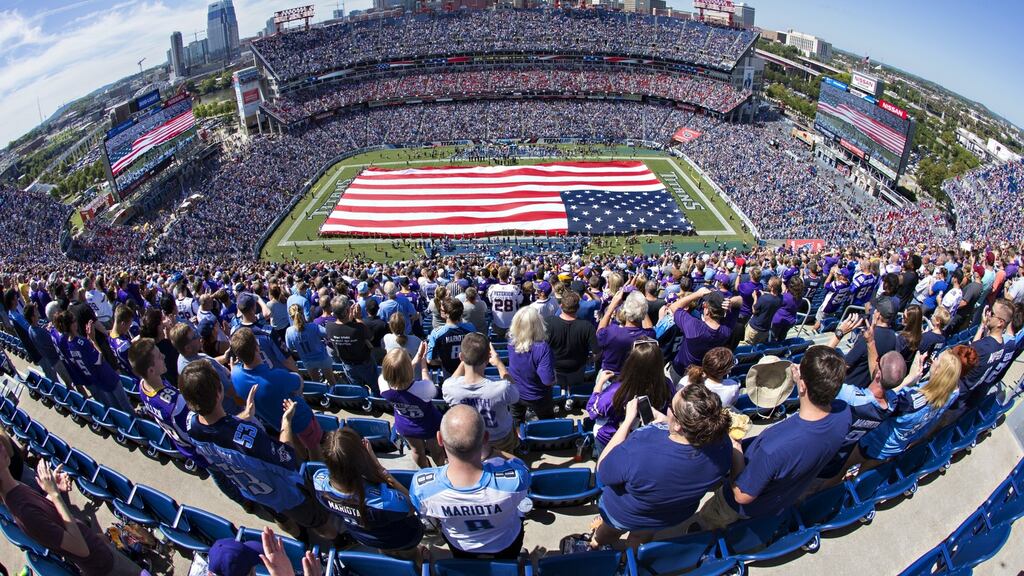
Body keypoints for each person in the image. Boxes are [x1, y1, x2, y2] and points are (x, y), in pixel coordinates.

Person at [697, 346, 852, 530]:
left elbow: (742, 495)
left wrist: (736, 447)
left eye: (799, 369)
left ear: (802, 386)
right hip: (781, 500)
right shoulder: (844, 414)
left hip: (739, 506)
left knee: (707, 524)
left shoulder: (774, 448)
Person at [180, 361, 333, 538]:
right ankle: (339, 542)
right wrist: (287, 421)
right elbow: (286, 455)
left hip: (255, 492)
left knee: (283, 521)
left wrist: (245, 417)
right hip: (286, 494)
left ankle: (301, 539)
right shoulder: (250, 440)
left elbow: (218, 432)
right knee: (321, 523)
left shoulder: (192, 426)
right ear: (219, 391)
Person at [583, 384, 733, 550]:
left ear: (679, 426)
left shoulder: (643, 444)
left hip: (625, 513)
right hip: (669, 515)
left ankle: (597, 543)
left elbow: (603, 472)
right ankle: (629, 560)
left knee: (610, 530)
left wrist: (627, 422)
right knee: (642, 535)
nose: (668, 409)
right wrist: (665, 421)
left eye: (671, 407)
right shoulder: (723, 444)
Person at [0, 444, 142, 575]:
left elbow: (43, 512)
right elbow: (81, 549)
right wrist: (55, 495)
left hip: (98, 549)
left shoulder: (15, 488)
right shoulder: (24, 511)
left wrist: (53, 490)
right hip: (102, 563)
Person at [410, 405, 530, 560]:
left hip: (460, 545)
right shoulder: (514, 481)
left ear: (440, 439)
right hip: (506, 542)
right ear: (485, 438)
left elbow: (424, 512)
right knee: (509, 560)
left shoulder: (422, 487)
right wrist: (494, 452)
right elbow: (522, 468)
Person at [312, 428, 424, 560]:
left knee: (386, 550)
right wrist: (378, 468)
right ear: (361, 461)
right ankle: (419, 561)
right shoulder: (384, 501)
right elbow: (413, 506)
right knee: (412, 555)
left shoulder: (319, 483)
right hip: (402, 538)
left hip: (365, 538)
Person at [230, 328, 321, 461]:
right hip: (301, 418)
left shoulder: (235, 375)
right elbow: (299, 383)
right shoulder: (275, 377)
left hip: (278, 423)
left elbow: (235, 371)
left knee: (295, 444)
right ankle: (317, 469)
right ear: (257, 347)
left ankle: (304, 465)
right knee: (314, 447)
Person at [858, 350, 960, 462]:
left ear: (937, 371)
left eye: (937, 359)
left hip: (877, 442)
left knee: (845, 468)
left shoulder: (910, 401)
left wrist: (909, 379)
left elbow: (881, 401)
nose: (934, 360)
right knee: (867, 475)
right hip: (896, 446)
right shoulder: (950, 395)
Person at [586, 340, 673, 456]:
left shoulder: (617, 391)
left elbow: (593, 410)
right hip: (643, 442)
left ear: (631, 363)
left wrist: (599, 383)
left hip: (611, 440)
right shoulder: (667, 385)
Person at [442, 332, 519, 453]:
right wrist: (499, 363)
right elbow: (515, 393)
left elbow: (452, 380)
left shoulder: (450, 387)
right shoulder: (502, 387)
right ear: (488, 359)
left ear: (461, 357)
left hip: (468, 439)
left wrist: (466, 358)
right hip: (500, 438)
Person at [380, 346, 445, 468]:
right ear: (409, 370)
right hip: (430, 425)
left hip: (405, 425)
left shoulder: (383, 385)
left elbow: (397, 376)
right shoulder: (423, 389)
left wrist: (417, 358)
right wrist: (423, 364)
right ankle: (440, 468)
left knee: (416, 451)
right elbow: (429, 385)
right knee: (437, 450)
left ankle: (426, 470)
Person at [826, 296, 906, 389]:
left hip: (848, 385)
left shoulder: (869, 337)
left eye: (874, 309)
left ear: (877, 314)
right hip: (866, 386)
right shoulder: (893, 337)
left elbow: (846, 365)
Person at [666, 288, 735, 376]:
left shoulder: (695, 326)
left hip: (681, 371)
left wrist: (697, 294)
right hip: (702, 375)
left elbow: (673, 307)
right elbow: (740, 301)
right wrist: (731, 302)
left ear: (707, 310)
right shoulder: (726, 330)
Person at [507, 307, 556, 422]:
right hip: (537, 396)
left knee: (516, 421)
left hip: (516, 392)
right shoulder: (542, 348)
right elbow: (547, 380)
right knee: (547, 422)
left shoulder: (510, 342)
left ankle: (519, 438)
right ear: (537, 325)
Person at [545, 290, 599, 388]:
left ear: (561, 306)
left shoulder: (549, 322)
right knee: (575, 390)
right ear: (578, 308)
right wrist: (589, 360)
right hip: (576, 369)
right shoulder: (587, 326)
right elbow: (597, 353)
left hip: (556, 368)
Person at [325, 296, 378, 394]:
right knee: (375, 386)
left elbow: (343, 326)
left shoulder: (329, 327)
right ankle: (377, 403)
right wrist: (358, 318)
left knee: (358, 389)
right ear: (347, 310)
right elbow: (370, 337)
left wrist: (349, 316)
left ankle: (363, 404)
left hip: (348, 365)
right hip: (364, 364)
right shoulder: (358, 328)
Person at [596, 290, 654, 375]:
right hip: (634, 379)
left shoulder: (612, 332)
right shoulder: (648, 335)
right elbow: (649, 327)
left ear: (625, 311)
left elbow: (599, 332)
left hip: (610, 378)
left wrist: (612, 305)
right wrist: (641, 306)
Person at [285, 304, 336, 385]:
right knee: (332, 382)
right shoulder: (313, 326)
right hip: (322, 358)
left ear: (291, 317)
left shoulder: (289, 331)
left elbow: (290, 347)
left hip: (307, 361)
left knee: (316, 382)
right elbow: (327, 333)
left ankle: (320, 397)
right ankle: (335, 397)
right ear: (302, 314)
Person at [427, 298, 475, 378]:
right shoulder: (470, 328)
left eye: (442, 310)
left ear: (447, 314)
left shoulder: (437, 333)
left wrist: (443, 362)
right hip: (467, 370)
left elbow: (430, 360)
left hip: (449, 373)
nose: (440, 311)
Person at [487, 266, 523, 340]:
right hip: (511, 325)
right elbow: (520, 301)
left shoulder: (492, 288)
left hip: (498, 324)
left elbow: (490, 301)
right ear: (508, 276)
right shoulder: (514, 288)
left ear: (499, 275)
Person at [743, 277, 781, 345]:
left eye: (769, 285)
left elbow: (754, 310)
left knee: (747, 346)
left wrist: (755, 298)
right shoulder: (780, 298)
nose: (767, 286)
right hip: (765, 329)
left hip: (755, 328)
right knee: (759, 347)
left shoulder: (764, 299)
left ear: (772, 288)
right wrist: (764, 296)